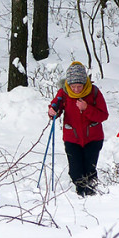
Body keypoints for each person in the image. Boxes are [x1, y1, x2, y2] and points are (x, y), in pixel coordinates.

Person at [47, 61, 109, 196]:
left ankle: (92, 195)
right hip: (72, 138)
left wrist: (87, 108)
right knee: (75, 170)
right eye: (73, 86)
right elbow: (55, 106)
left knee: (89, 169)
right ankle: (82, 192)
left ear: (84, 83)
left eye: (79, 86)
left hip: (93, 138)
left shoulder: (94, 92)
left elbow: (103, 115)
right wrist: (53, 112)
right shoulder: (64, 92)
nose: (76, 89)